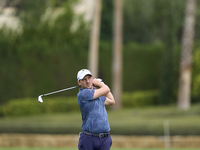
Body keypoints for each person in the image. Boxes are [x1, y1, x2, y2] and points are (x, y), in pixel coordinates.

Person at [77, 69, 115, 150]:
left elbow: (111, 101)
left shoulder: (97, 94)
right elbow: (107, 89)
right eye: (84, 79)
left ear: (92, 78)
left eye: (89, 78)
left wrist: (101, 85)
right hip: (89, 138)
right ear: (79, 82)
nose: (87, 81)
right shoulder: (83, 94)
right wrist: (100, 84)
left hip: (104, 138)